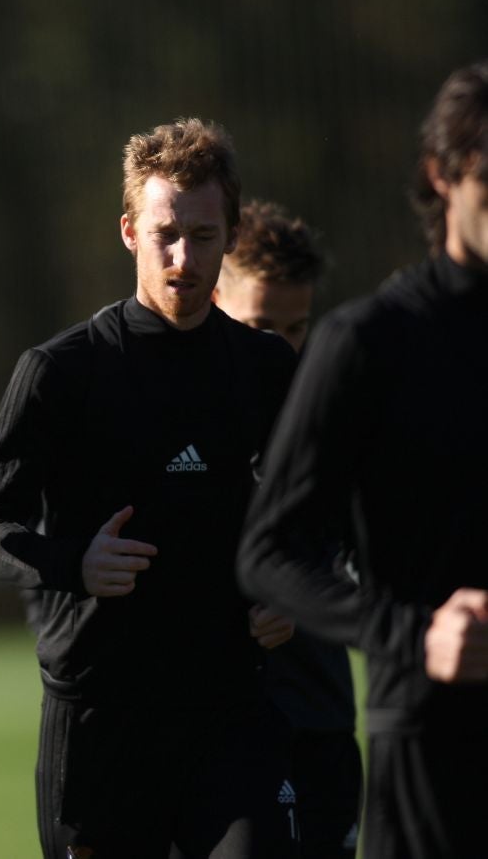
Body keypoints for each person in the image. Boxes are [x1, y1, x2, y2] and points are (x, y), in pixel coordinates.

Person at [0, 118, 300, 857]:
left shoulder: (264, 369)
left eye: (205, 236)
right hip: (99, 722)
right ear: (128, 232)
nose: (184, 259)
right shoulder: (61, 372)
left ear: (231, 234)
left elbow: (314, 512)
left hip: (229, 714)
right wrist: (73, 564)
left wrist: (292, 593)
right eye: (165, 235)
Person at [238, 60, 488, 859]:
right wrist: (415, 638)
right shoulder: (369, 344)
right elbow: (269, 553)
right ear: (442, 176)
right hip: (434, 752)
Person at [213, 201, 362, 857]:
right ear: (216, 298)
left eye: (297, 327)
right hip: (215, 727)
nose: (282, 346)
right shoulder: (174, 413)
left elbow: (368, 556)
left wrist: (306, 603)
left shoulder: (340, 418)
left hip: (321, 718)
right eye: (260, 325)